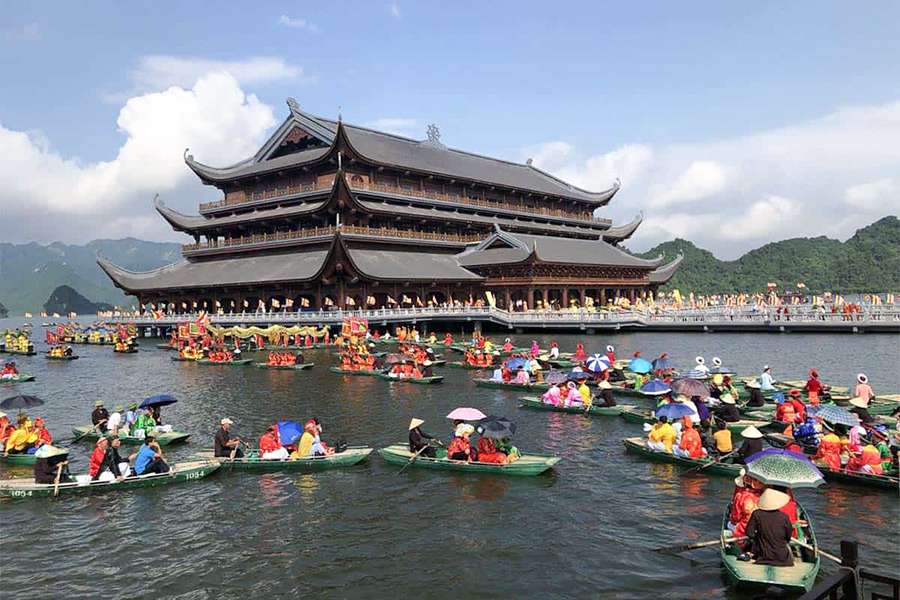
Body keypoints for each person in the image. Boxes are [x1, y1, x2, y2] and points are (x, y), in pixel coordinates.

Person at [740, 488, 794, 566]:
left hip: (763, 556)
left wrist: (759, 536)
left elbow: (749, 533)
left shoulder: (757, 514)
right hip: (783, 558)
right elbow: (788, 536)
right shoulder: (784, 517)